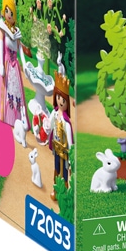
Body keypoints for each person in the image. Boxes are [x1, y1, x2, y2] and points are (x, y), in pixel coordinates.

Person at [0, 0, 28, 127]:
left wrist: (24, 63)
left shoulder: (16, 31)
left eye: (11, 11)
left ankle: (19, 116)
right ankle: (8, 116)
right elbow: (1, 44)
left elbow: (20, 49)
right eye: (7, 11)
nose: (9, 14)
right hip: (7, 64)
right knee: (8, 90)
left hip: (15, 65)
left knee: (17, 91)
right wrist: (0, 64)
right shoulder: (2, 28)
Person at [48, 72, 73, 200]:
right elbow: (50, 125)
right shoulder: (54, 113)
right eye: (58, 98)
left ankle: (64, 193)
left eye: (63, 100)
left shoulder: (66, 122)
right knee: (57, 169)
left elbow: (70, 141)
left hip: (64, 151)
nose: (60, 102)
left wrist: (71, 156)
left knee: (64, 172)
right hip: (56, 148)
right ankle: (56, 189)